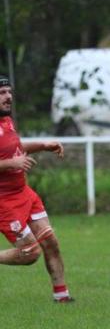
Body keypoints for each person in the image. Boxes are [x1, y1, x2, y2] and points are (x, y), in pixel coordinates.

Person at [0, 75, 74, 302]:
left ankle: (61, 296)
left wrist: (43, 145)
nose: (8, 97)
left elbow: (15, 147)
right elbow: (11, 158)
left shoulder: (6, 121)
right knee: (30, 253)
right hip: (4, 200)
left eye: (9, 92)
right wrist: (11, 164)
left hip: (24, 193)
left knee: (50, 241)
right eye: (2, 93)